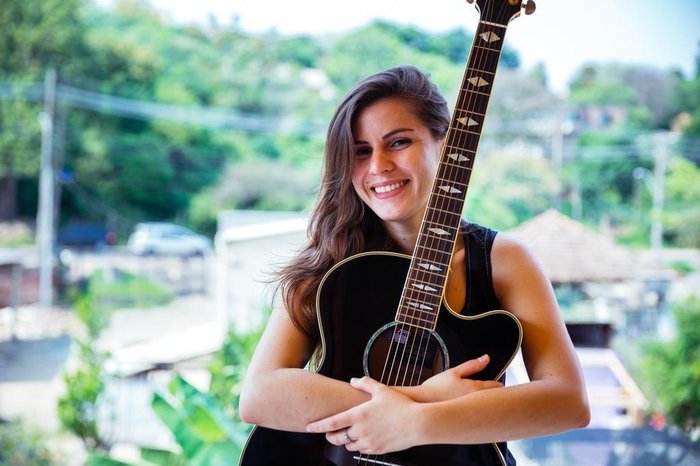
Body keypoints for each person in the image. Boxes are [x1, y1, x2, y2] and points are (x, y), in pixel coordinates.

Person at [239, 65, 590, 463]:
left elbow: (568, 402)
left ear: (445, 142)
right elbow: (259, 396)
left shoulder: (503, 261)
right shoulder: (331, 258)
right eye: (361, 151)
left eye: (399, 142)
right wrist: (424, 398)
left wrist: (417, 422)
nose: (379, 166)